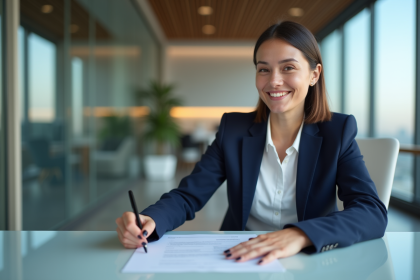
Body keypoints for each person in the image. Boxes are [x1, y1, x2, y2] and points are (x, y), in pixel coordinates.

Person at [115, 21, 387, 265]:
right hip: (240, 257)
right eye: (263, 69)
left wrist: (300, 235)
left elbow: (371, 211)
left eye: (288, 68)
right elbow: (189, 194)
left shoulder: (337, 131)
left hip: (308, 260)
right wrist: (152, 220)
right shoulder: (233, 129)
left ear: (314, 74)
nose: (274, 81)